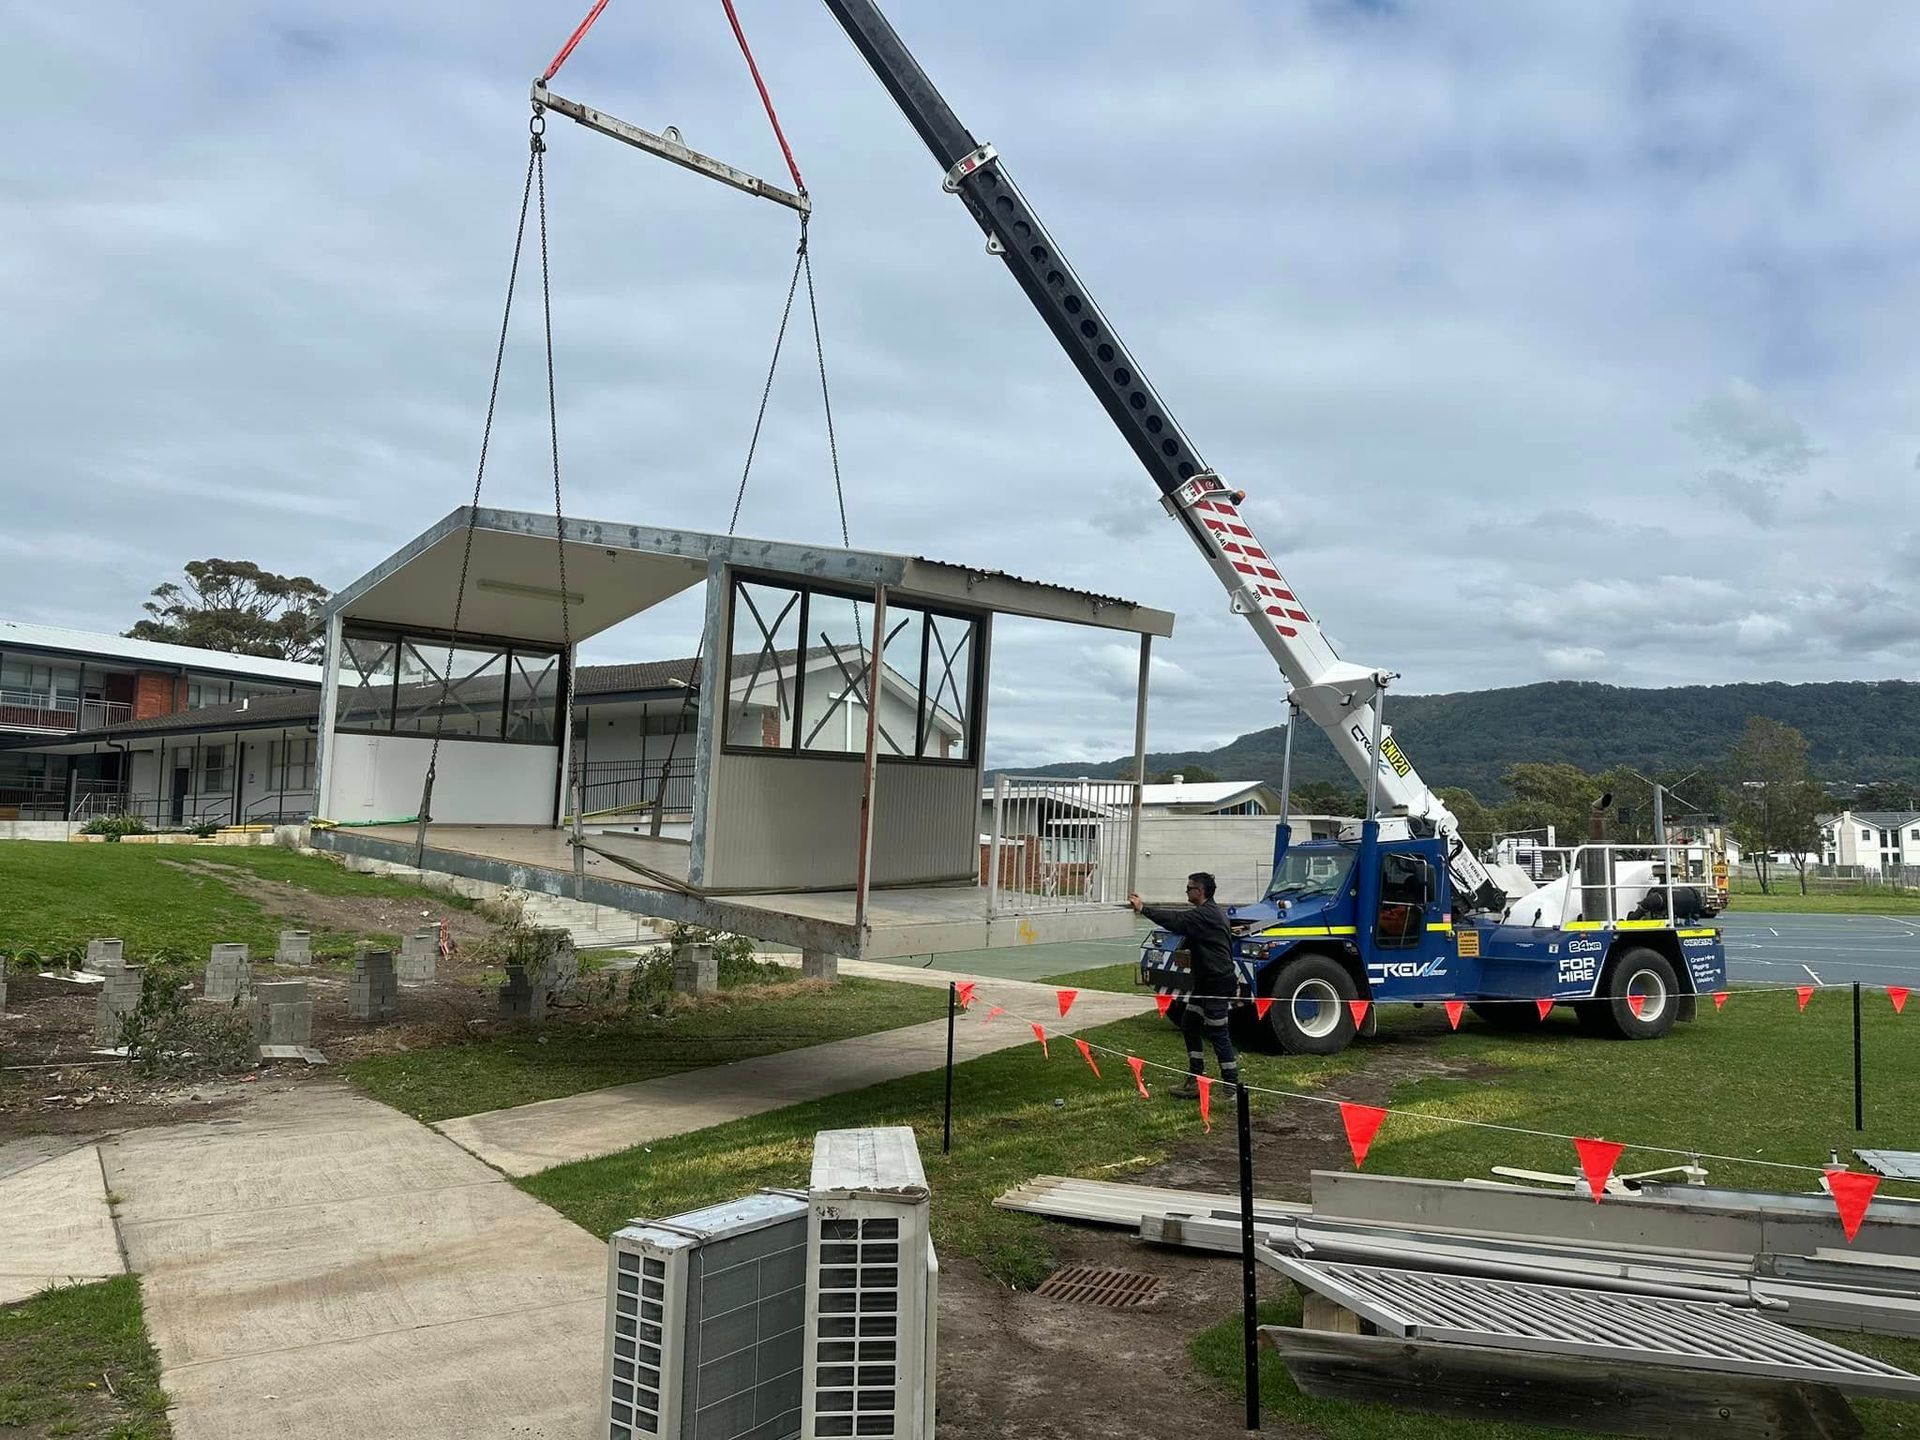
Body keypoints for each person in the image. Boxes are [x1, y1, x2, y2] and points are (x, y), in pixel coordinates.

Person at [1130, 872, 1239, 1099]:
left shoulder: (1205, 914)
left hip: (1217, 983)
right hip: (1206, 982)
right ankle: (1196, 1080)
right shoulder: (1212, 913)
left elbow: (1176, 921)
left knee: (1218, 1032)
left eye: (1189, 888)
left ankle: (1231, 1087)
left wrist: (1143, 908)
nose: (1186, 891)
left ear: (1200, 892)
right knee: (1190, 1023)